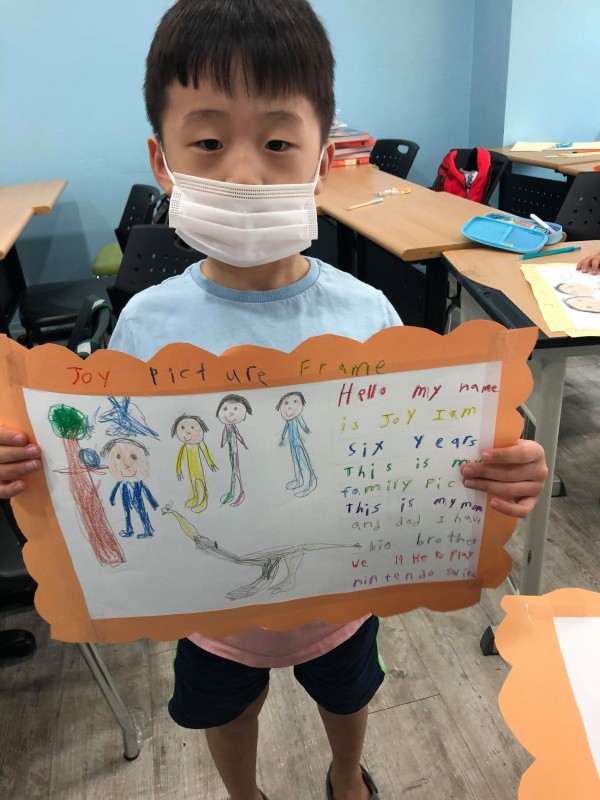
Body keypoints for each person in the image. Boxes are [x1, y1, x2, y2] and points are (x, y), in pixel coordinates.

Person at [0, 1, 548, 798]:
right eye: (208, 142)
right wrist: (33, 464)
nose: (244, 173)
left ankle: (347, 778)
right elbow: (113, 454)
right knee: (227, 713)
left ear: (323, 162)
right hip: (209, 608)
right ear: (162, 161)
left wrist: (502, 468)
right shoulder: (147, 323)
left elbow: (427, 453)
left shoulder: (369, 315)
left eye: (279, 143)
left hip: (344, 595)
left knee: (350, 695)